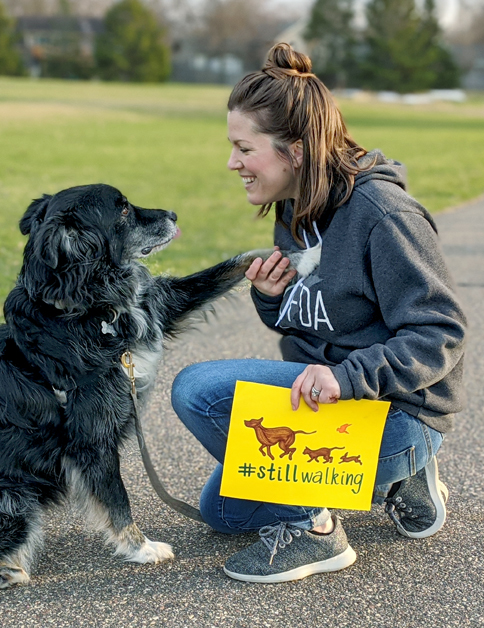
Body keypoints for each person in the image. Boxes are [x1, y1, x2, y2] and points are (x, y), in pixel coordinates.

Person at [170, 42, 466, 583]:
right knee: (225, 513)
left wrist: (348, 376)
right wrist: (272, 299)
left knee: (195, 390)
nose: (232, 162)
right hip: (334, 409)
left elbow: (440, 333)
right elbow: (316, 325)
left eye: (243, 147)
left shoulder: (383, 216)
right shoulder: (296, 203)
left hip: (397, 413)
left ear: (297, 150)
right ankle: (388, 482)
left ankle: (317, 531)